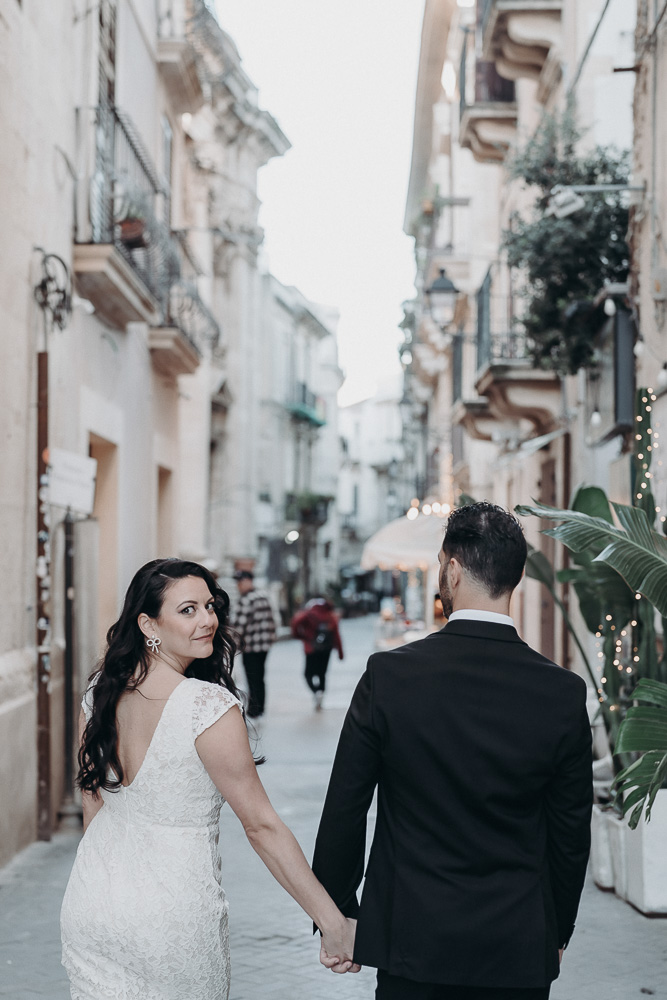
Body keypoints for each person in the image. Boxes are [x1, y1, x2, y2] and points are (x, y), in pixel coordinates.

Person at [312, 502, 593, 1000]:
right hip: (517, 943)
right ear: (519, 575)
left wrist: (338, 914)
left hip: (411, 938)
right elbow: (570, 835)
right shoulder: (563, 692)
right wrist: (558, 931)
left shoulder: (389, 676)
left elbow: (345, 808)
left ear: (453, 570)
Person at [60, 558, 356, 999]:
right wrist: (334, 924)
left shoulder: (100, 690)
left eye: (210, 606)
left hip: (93, 901)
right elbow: (261, 826)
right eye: (188, 610)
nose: (208, 620)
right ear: (148, 624)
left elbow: (93, 801)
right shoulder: (207, 708)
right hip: (173, 916)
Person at [229, 569, 276, 719]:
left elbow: (239, 627)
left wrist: (232, 645)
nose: (239, 585)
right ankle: (260, 708)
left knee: (252, 677)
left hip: (251, 646)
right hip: (264, 646)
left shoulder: (246, 599)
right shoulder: (263, 596)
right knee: (260, 677)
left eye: (241, 581)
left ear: (249, 581)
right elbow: (273, 621)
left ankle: (254, 710)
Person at [291, 597, 343, 710]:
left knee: (308, 674)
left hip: (311, 648)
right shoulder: (330, 616)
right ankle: (321, 693)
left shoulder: (308, 614)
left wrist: (300, 636)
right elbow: (336, 635)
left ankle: (315, 692)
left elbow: (295, 622)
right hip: (326, 649)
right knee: (322, 674)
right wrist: (340, 652)